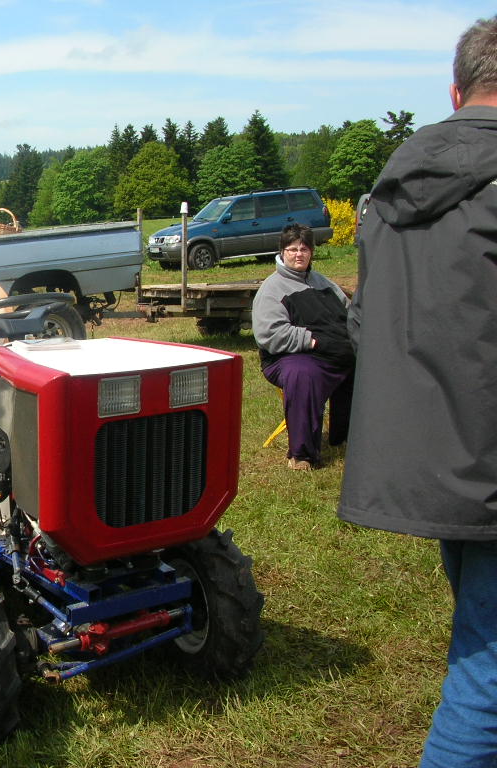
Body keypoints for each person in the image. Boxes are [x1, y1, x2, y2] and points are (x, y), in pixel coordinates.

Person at [338, 16, 497, 767]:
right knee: (486, 677)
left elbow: (367, 321)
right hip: (487, 461)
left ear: (455, 90)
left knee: (480, 640)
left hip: (434, 461)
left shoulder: (388, 193)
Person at [252, 223, 355, 470]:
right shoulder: (272, 289)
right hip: (289, 356)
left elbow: (350, 314)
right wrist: (313, 341)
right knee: (304, 375)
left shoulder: (324, 284)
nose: (299, 254)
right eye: (293, 249)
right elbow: (270, 334)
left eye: (304, 249)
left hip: (333, 351)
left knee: (363, 364)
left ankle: (345, 436)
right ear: (282, 252)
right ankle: (302, 455)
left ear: (312, 252)